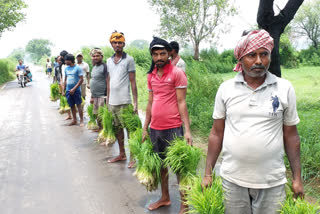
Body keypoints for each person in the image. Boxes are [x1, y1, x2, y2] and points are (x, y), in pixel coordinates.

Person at [202, 30, 304, 214]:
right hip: (232, 181)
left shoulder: (284, 88)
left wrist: (297, 178)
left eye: (264, 54)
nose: (258, 61)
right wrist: (208, 173)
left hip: (272, 182)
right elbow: (216, 133)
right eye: (251, 55)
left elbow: (291, 136)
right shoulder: (226, 89)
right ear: (240, 59)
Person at [142, 37, 192, 213]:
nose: (159, 57)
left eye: (162, 53)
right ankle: (165, 197)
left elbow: (182, 103)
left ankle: (185, 204)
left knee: (179, 168)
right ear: (152, 56)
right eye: (155, 54)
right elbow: (149, 103)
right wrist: (145, 127)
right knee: (161, 166)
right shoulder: (151, 76)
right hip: (156, 128)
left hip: (173, 127)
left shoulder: (177, 73)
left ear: (169, 53)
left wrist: (187, 130)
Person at [106, 31, 138, 168]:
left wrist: (135, 103)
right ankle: (122, 154)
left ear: (124, 44)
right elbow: (109, 82)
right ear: (112, 44)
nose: (117, 44)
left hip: (125, 101)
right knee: (117, 129)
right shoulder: (108, 61)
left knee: (130, 130)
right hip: (113, 102)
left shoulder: (129, 59)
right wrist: (107, 101)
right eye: (115, 42)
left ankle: (133, 157)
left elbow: (133, 82)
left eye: (120, 42)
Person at [89, 48, 108, 133]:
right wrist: (92, 96)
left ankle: (104, 131)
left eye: (97, 56)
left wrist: (108, 96)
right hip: (95, 96)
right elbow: (93, 81)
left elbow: (108, 82)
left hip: (102, 95)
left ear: (102, 56)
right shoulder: (94, 67)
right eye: (94, 56)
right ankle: (100, 129)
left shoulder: (105, 67)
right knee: (97, 114)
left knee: (103, 115)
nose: (95, 57)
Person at [62, 54, 84, 126]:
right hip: (68, 90)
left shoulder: (78, 68)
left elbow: (81, 79)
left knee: (78, 105)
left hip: (76, 90)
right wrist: (63, 90)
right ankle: (74, 120)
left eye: (66, 60)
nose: (65, 61)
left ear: (70, 60)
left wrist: (74, 89)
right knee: (71, 106)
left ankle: (81, 121)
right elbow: (65, 80)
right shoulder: (66, 69)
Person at [60, 50, 72, 120]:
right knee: (66, 98)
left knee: (71, 99)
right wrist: (62, 82)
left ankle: (73, 114)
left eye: (62, 57)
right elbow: (62, 74)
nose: (62, 58)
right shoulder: (62, 65)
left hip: (69, 82)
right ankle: (69, 114)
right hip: (64, 82)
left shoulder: (70, 64)